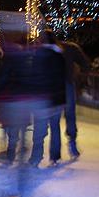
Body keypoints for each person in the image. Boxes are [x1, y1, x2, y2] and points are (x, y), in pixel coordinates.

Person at [27, 29, 67, 167]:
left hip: (43, 98)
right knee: (55, 128)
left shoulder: (39, 55)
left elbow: (34, 77)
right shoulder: (60, 55)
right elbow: (65, 77)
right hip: (57, 99)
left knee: (39, 129)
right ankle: (55, 157)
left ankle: (36, 158)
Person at [0, 37, 33, 165]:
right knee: (23, 124)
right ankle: (23, 146)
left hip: (11, 98)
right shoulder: (28, 61)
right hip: (25, 98)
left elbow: (1, 79)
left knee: (11, 126)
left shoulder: (7, 61)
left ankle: (11, 151)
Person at [59, 39, 91, 159]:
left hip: (52, 85)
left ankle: (52, 150)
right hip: (67, 84)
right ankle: (72, 141)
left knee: (51, 116)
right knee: (70, 114)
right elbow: (86, 64)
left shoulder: (48, 45)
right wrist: (79, 82)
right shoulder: (71, 48)